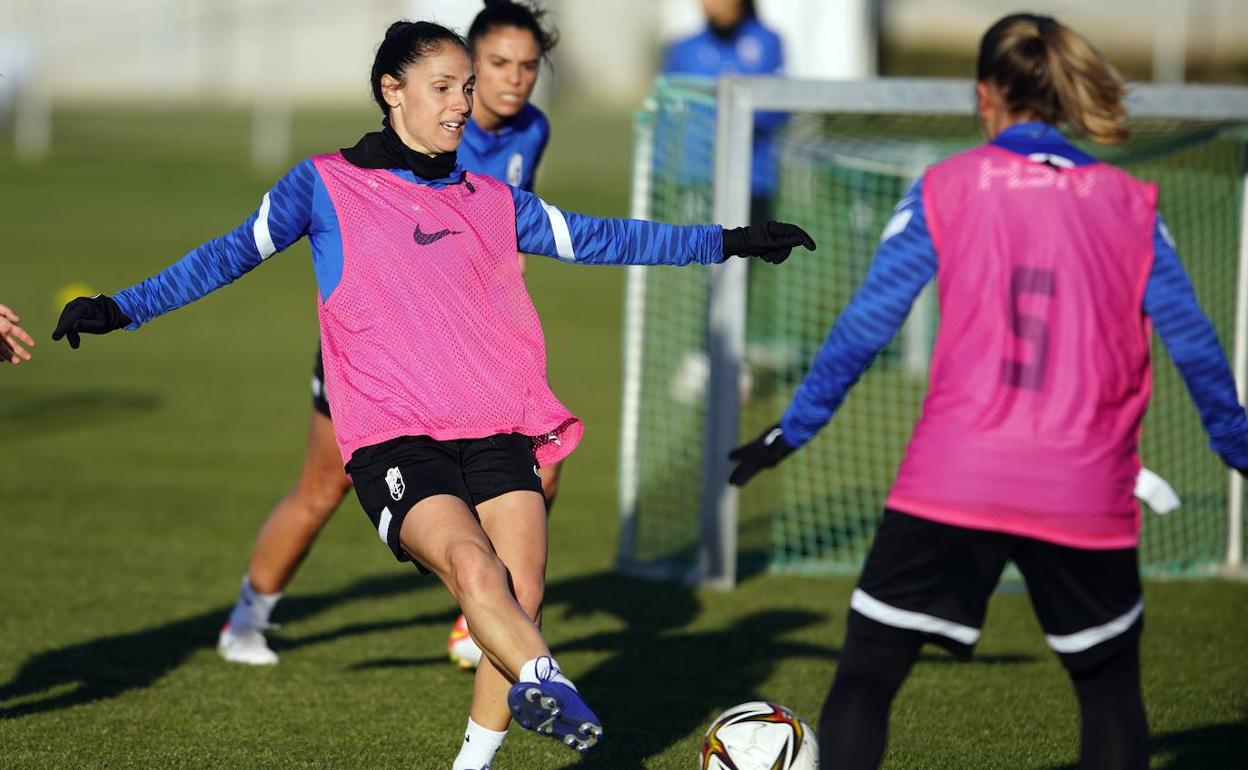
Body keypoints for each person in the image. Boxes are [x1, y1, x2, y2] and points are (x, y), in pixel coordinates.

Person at [52, 20, 814, 767]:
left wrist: (730, 241)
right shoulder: (323, 183)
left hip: (497, 426)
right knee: (474, 570)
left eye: (467, 88)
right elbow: (224, 256)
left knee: (522, 591)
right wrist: (120, 309)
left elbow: (606, 237)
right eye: (444, 87)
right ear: (393, 90)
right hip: (395, 437)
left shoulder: (491, 196)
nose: (462, 104)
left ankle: (480, 754)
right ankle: (545, 680)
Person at [728, 13, 1248, 770]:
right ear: (1062, 95)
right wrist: (1236, 445)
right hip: (1082, 483)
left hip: (954, 478)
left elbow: (865, 325)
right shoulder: (1129, 201)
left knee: (867, 678)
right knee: (1109, 694)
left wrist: (793, 429)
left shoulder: (946, 185)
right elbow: (1196, 343)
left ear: (984, 95)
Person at [208, 0, 561, 674]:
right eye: (496, 65)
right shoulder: (431, 130)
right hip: (378, 357)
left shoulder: (530, 130)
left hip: (467, 353)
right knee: (323, 487)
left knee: (541, 456)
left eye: (527, 67)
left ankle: (484, 609)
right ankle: (248, 614)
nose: (512, 80)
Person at [661, 0, 784, 223]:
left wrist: (735, 117)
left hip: (752, 179)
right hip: (697, 178)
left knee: (747, 242)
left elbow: (777, 108)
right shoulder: (684, 49)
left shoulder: (766, 42)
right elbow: (668, 114)